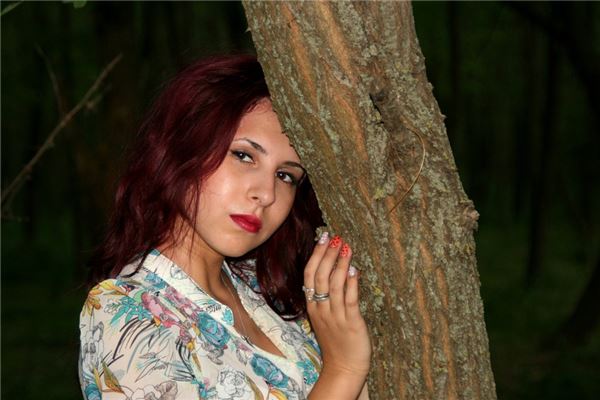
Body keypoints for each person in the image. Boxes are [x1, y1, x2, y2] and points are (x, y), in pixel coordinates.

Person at [79, 54, 371, 400]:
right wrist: (343, 369)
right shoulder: (125, 312)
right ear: (182, 148)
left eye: (285, 175)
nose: (266, 194)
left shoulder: (266, 291)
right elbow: (343, 375)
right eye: (244, 155)